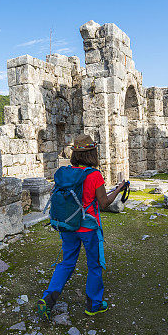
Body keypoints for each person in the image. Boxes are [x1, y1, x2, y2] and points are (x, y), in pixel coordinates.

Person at [37, 135, 128, 320]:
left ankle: (48, 299)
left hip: (68, 226)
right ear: (92, 153)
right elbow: (103, 203)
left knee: (67, 263)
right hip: (89, 228)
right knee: (94, 265)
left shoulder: (67, 172)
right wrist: (118, 188)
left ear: (75, 154)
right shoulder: (94, 175)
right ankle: (94, 305)